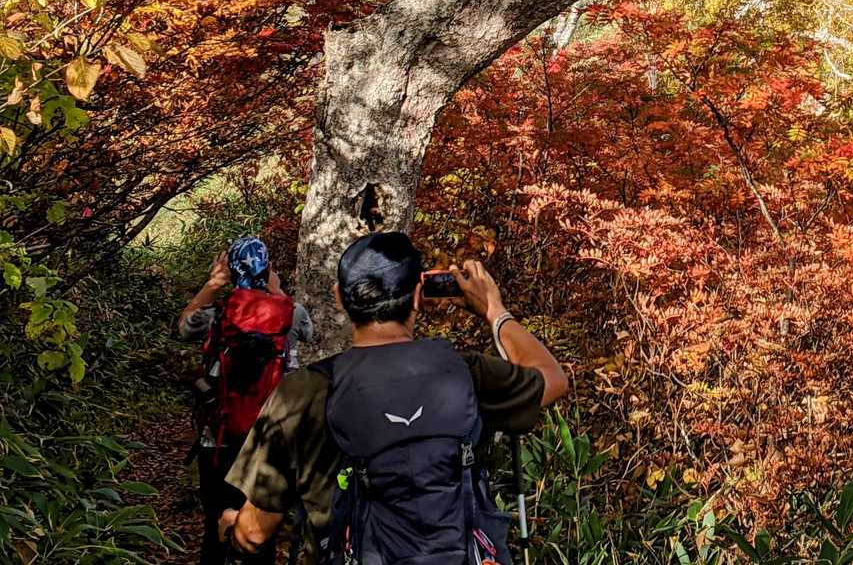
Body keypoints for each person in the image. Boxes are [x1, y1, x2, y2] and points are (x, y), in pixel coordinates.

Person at [217, 231, 568, 565]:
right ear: (417, 296)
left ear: (339, 297)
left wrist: (231, 528)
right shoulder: (464, 372)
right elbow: (553, 379)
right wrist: (494, 311)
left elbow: (255, 534)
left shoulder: (303, 392)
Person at [179, 235, 314, 565]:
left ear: (230, 269)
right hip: (271, 440)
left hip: (219, 437)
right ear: (267, 268)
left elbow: (182, 328)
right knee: (261, 532)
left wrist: (212, 285)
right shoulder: (292, 313)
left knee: (215, 525)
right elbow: (308, 333)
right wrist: (276, 290)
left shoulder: (218, 315)